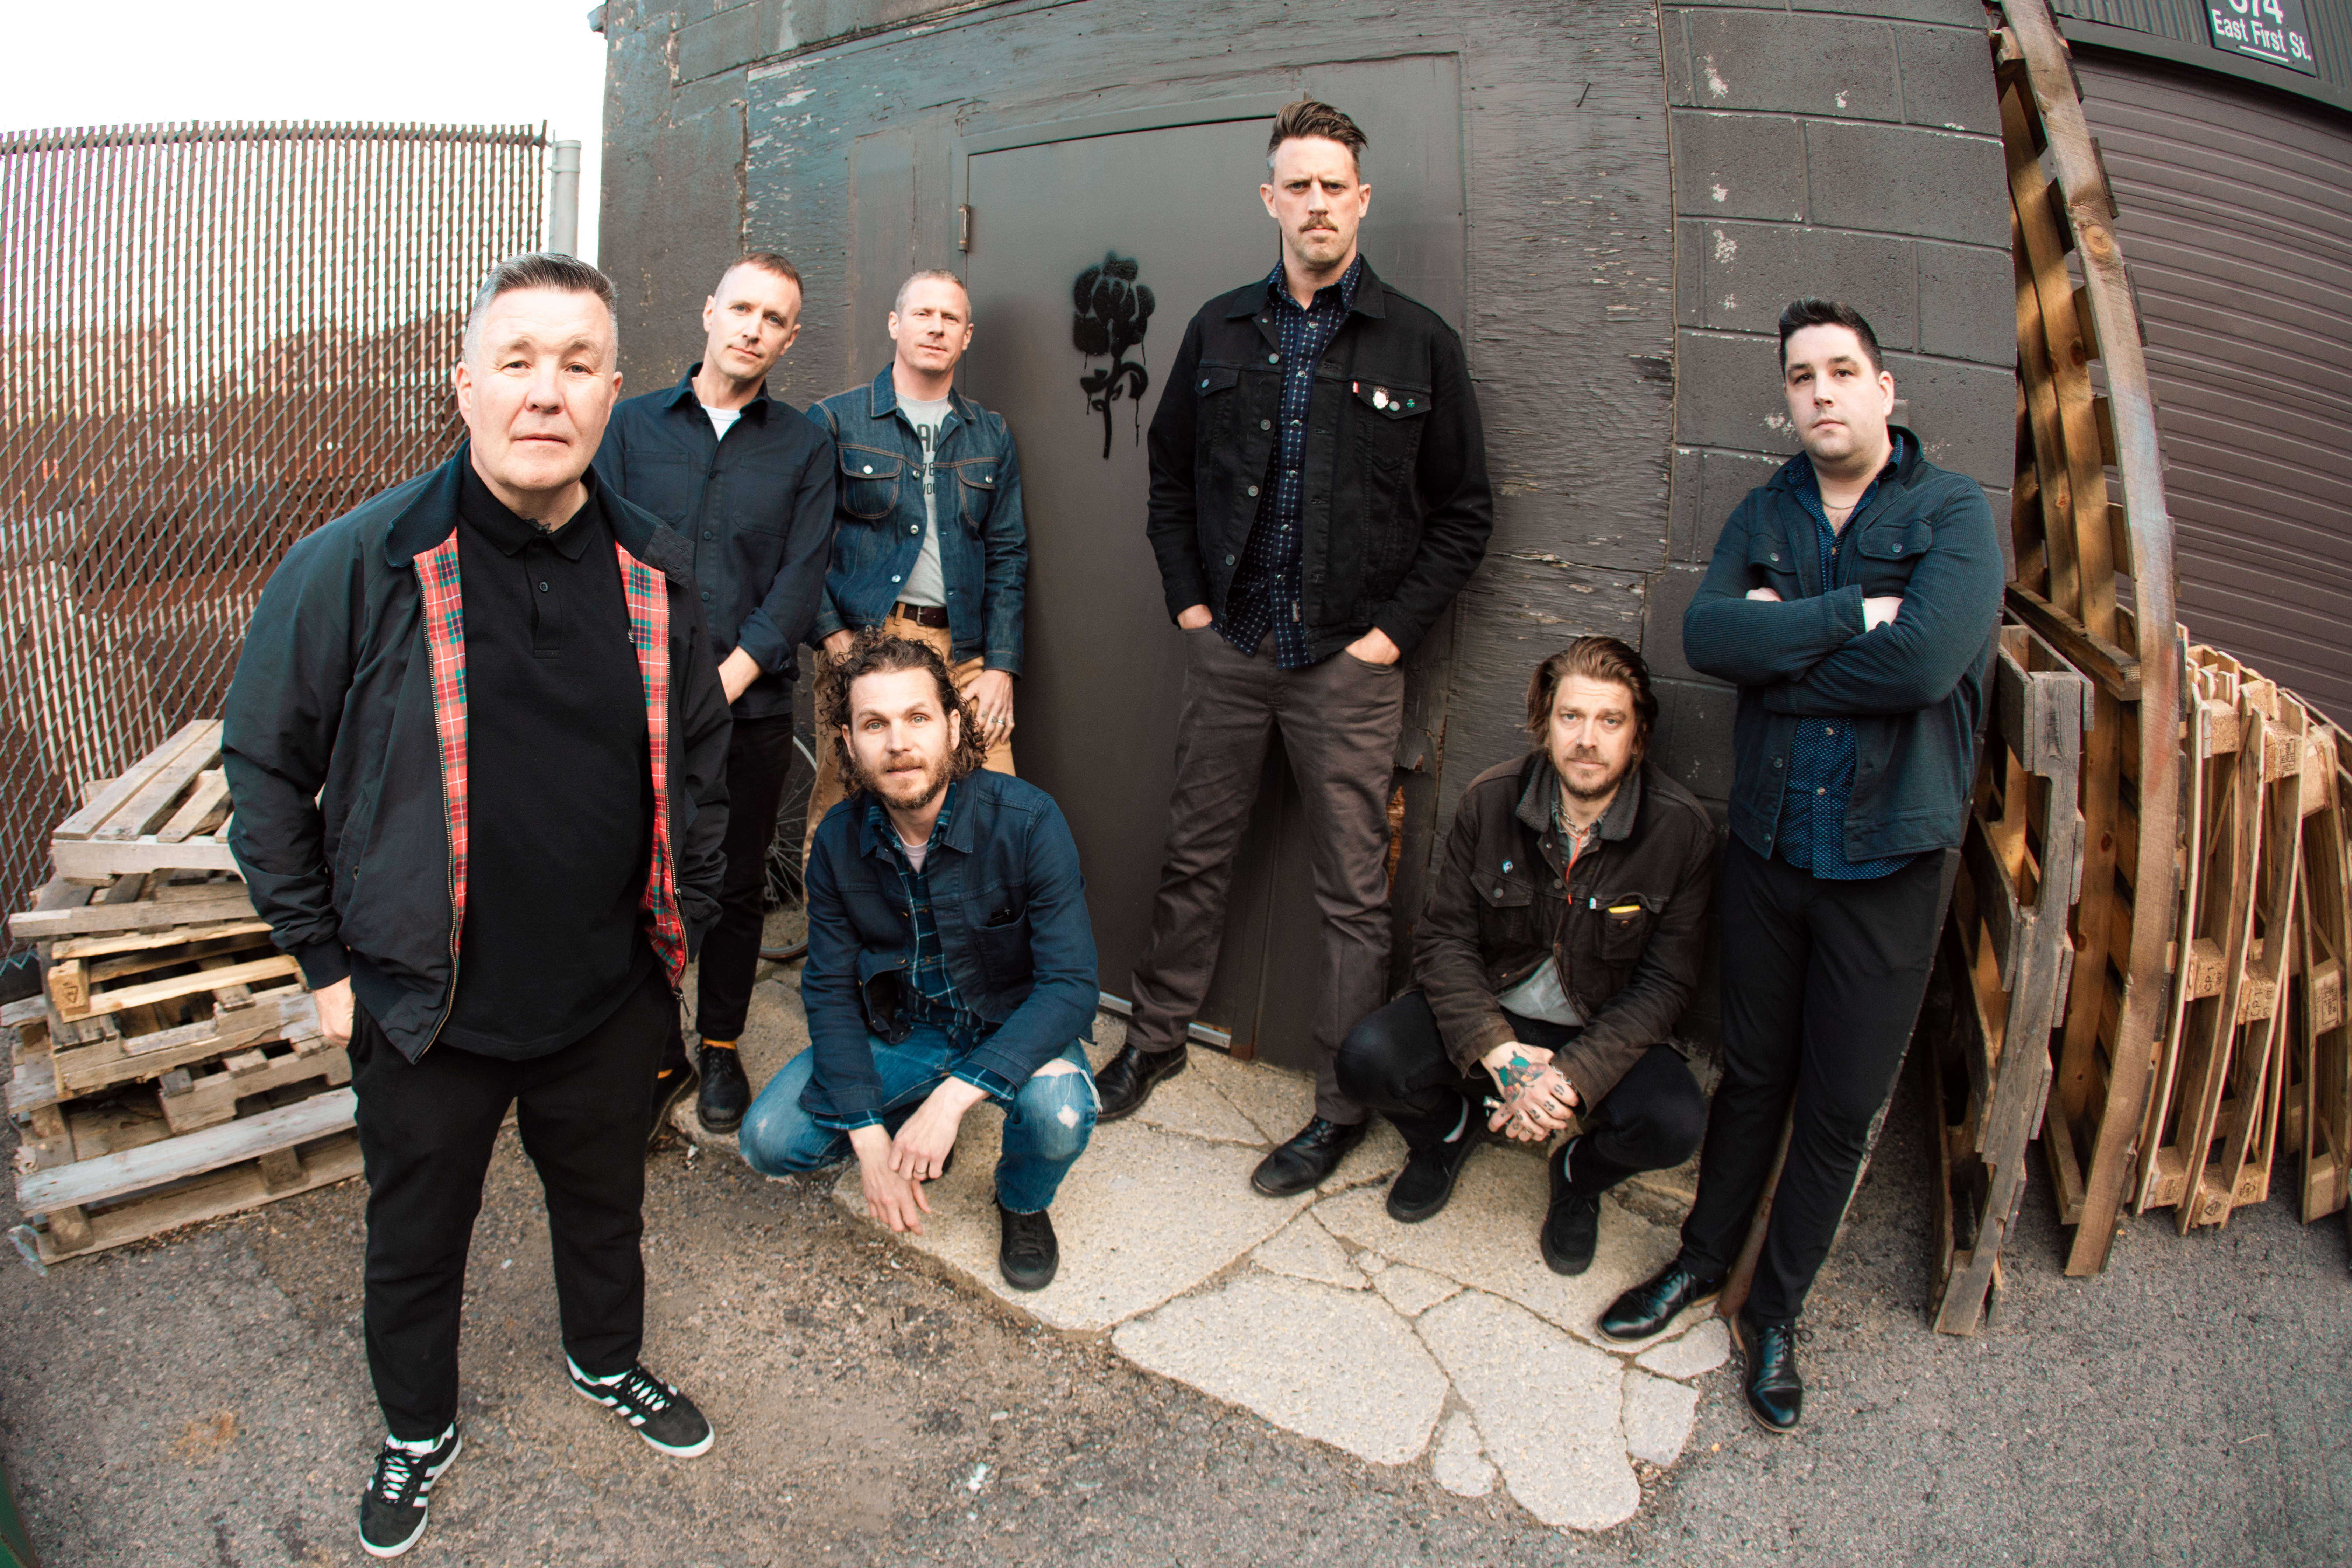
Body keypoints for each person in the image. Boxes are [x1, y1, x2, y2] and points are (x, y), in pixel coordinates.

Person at [222, 253, 733, 1558]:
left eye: (578, 364)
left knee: (606, 1211)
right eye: (517, 361)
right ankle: (417, 1429)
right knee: (415, 1240)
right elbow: (265, 768)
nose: (546, 392)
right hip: (423, 1006)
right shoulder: (360, 563)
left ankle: (605, 1358)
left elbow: (702, 764)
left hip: (605, 996)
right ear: (465, 386)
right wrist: (324, 966)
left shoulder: (655, 569)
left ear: (614, 392)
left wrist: (673, 939)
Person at [1601, 298, 2003, 1434]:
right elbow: (1709, 639)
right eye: (1800, 376)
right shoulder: (1767, 508)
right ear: (1786, 398)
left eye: (1842, 371)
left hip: (1888, 862)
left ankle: (1774, 1312)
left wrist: (1780, 659)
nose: (1821, 391)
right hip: (1773, 850)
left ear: (1885, 390)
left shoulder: (1953, 514)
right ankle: (1700, 1261)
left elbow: (1923, 669)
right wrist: (1853, 613)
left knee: (1836, 1107)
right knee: (1754, 1074)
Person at [1097, 98, 1493, 1196]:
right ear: (1269, 198)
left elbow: (1466, 513)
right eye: (1298, 185)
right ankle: (1154, 1040)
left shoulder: (1419, 341)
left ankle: (1340, 1107)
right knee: (1195, 854)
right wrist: (1191, 607)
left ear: (1362, 201)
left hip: (1346, 666)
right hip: (1231, 645)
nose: (1317, 203)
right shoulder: (1220, 329)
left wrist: (1386, 641)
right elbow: (1170, 477)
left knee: (1354, 895)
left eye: (1335, 186)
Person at [1335, 639, 1715, 1274]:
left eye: (1610, 721)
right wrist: (1500, 1053)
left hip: (1598, 1028)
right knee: (1366, 1059)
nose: (1587, 740)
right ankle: (1446, 1132)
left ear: (1637, 736)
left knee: (1673, 1124)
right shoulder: (1492, 799)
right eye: (1571, 717)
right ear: (1546, 723)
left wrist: (1571, 1079)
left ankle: (1579, 1176)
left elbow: (1665, 986)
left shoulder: (1681, 830)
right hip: (1495, 1010)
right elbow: (1445, 940)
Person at [739, 633, 1098, 1292]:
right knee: (768, 1138)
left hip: (1011, 1024)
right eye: (875, 724)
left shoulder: (1028, 821)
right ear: (849, 743)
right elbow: (828, 990)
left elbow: (1071, 988)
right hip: (910, 1030)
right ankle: (909, 1118)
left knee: (1060, 1113)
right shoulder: (837, 843)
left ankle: (1021, 1200)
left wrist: (954, 1101)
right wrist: (868, 1137)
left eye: (918, 717)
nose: (899, 743)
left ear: (953, 727)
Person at [594, 251, 835, 1137]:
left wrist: (723, 681)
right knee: (635, 876)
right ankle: (657, 1046)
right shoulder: (628, 429)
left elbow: (800, 583)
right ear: (709, 311)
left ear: (790, 338)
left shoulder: (805, 446)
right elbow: (601, 552)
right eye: (742, 309)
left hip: (750, 710)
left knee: (735, 885)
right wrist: (651, 679)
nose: (753, 329)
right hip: (636, 704)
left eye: (774, 319)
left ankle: (723, 1042)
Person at [802, 271, 1023, 863]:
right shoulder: (836, 421)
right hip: (868, 641)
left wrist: (1002, 666)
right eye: (923, 314)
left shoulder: (990, 434)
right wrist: (835, 639)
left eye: (951, 318)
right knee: (847, 809)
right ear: (895, 324)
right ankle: (834, 930)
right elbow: (799, 547)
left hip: (966, 651)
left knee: (994, 808)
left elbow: (1008, 554)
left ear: (967, 336)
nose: (936, 327)